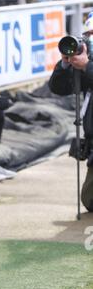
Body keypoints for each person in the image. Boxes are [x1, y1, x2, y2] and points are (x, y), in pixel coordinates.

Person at [49, 12, 93, 212]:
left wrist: (88, 66)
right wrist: (66, 63)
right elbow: (59, 88)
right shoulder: (85, 62)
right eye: (88, 34)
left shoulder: (88, 65)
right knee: (89, 200)